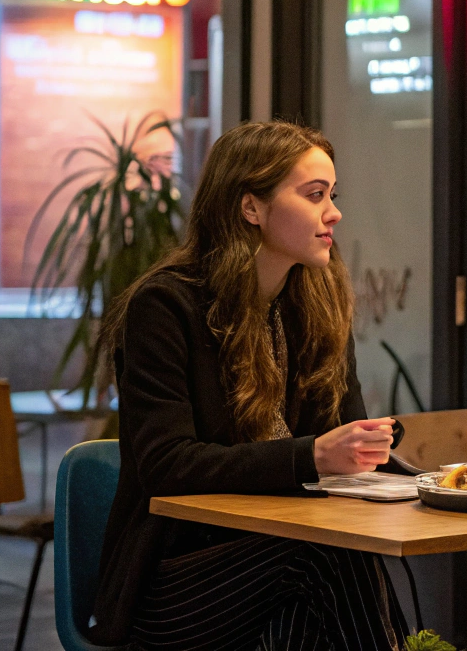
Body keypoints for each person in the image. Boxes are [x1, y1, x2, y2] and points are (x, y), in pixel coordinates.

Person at [90, 121, 408, 651]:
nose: (335, 213)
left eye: (332, 195)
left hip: (278, 563)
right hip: (174, 581)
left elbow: (339, 435)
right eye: (315, 196)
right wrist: (312, 456)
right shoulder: (166, 307)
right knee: (320, 556)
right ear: (250, 208)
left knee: (310, 600)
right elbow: (166, 465)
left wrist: (370, 445)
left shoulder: (319, 304)